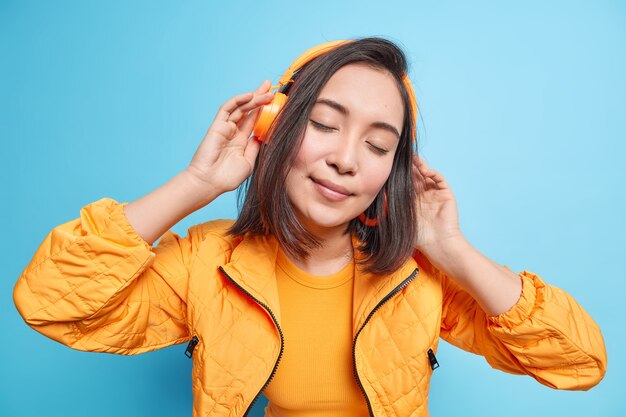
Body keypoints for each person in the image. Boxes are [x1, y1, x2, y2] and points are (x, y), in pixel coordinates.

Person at [13, 37, 607, 417]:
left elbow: (580, 362)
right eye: (324, 124)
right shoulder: (209, 264)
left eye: (378, 145)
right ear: (275, 130)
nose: (347, 158)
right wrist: (197, 183)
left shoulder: (420, 278)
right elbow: (50, 302)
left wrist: (452, 248)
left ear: (389, 173)